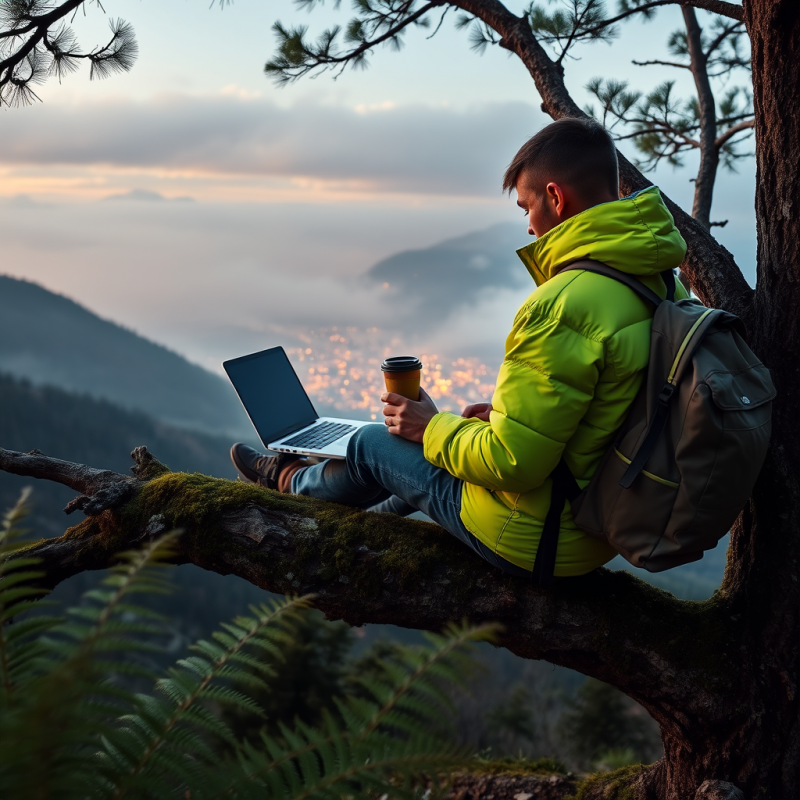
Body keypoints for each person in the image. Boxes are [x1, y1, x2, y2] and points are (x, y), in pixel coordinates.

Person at [230, 117, 688, 579]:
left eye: (527, 207)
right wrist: (505, 418)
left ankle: (289, 482)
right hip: (598, 527)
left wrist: (431, 426)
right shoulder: (660, 284)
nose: (529, 228)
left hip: (536, 535)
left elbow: (513, 464)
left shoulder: (563, 304)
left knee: (371, 441)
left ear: (555, 196)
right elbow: (615, 407)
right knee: (419, 451)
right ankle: (357, 519)